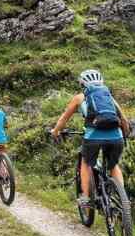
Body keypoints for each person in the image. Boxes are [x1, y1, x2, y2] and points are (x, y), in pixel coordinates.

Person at [50, 69, 130, 211]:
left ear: (82, 84)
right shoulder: (108, 96)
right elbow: (123, 118)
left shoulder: (80, 98)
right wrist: (125, 134)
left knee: (86, 163)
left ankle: (86, 198)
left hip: (93, 137)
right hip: (116, 137)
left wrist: (55, 132)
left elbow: (64, 118)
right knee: (114, 165)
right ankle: (122, 200)